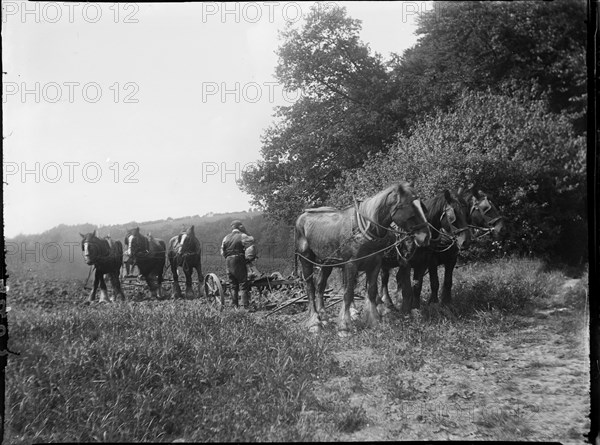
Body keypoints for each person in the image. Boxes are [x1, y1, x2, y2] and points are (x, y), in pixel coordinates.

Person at [221, 220, 256, 308]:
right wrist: (246, 231)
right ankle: (245, 306)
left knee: (233, 285)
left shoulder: (225, 237)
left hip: (228, 261)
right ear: (240, 227)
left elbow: (222, 252)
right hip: (238, 260)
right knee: (243, 283)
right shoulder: (242, 236)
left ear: (232, 227)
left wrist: (228, 257)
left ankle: (235, 305)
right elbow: (252, 240)